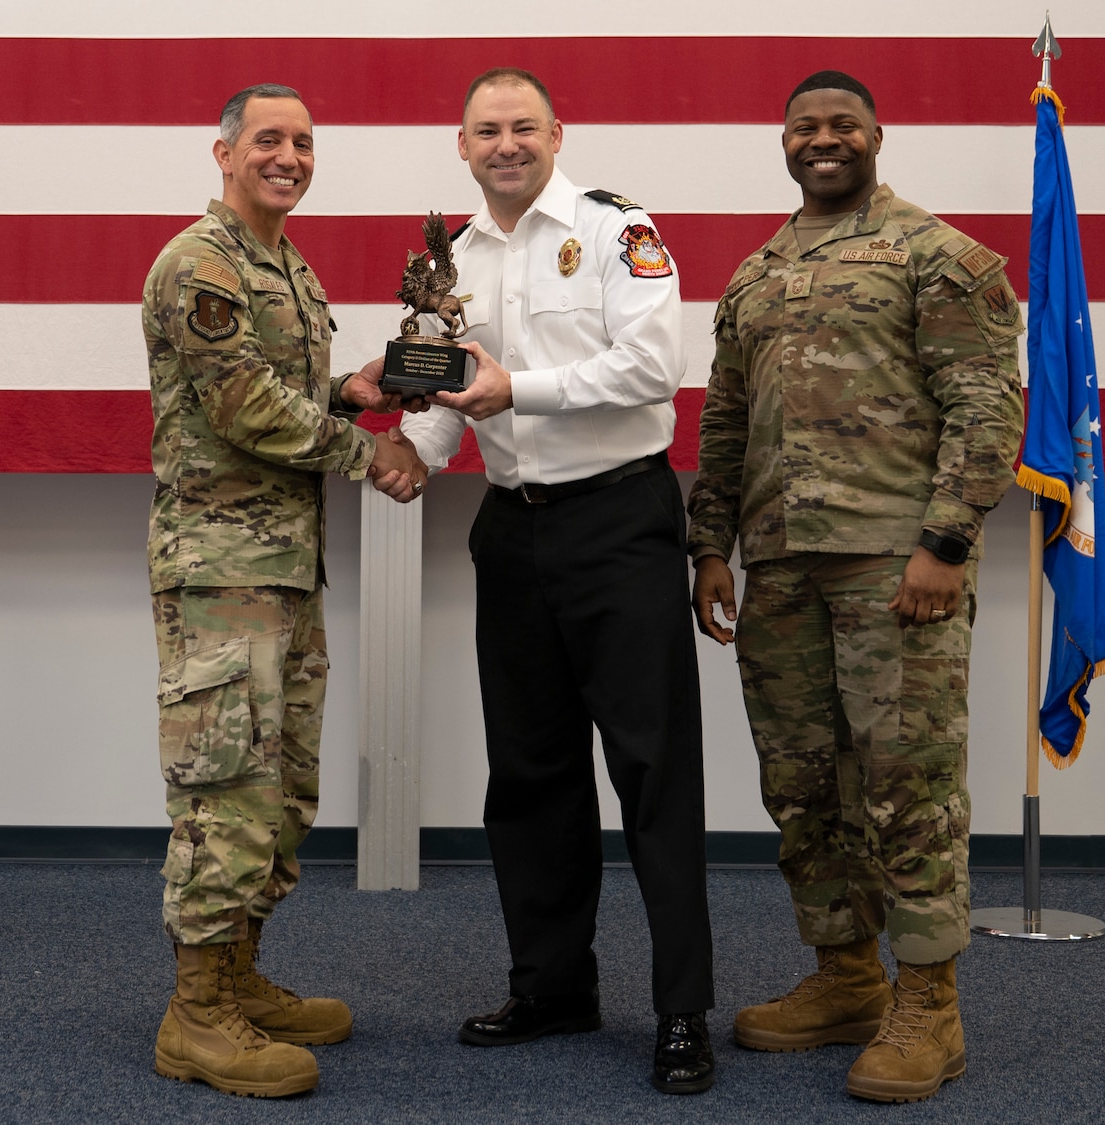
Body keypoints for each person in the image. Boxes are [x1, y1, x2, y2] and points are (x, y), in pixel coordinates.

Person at [362, 66, 716, 1095]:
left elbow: (651, 369)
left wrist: (519, 387)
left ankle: (681, 1009)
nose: (505, 144)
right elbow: (450, 387)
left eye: (523, 127)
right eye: (486, 131)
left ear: (557, 135)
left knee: (652, 774)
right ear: (460, 148)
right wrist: (412, 453)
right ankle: (552, 985)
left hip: (618, 523)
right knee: (527, 776)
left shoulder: (616, 230)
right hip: (510, 534)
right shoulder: (454, 257)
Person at [687, 70, 1026, 1104]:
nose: (822, 140)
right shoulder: (753, 274)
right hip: (779, 562)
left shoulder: (935, 253)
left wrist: (944, 542)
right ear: (783, 141)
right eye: (804, 127)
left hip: (893, 565)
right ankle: (843, 977)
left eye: (841, 125)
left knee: (905, 787)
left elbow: (983, 403)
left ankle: (928, 1004)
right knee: (802, 786)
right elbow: (725, 423)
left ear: (875, 136)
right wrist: (708, 547)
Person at [140, 82, 426, 1099]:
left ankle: (239, 976)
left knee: (281, 791)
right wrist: (368, 451)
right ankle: (194, 1013)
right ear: (221, 152)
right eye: (269, 139)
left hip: (282, 569)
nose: (290, 156)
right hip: (220, 571)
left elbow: (282, 395)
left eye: (303, 142)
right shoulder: (200, 264)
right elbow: (241, 408)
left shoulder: (285, 270)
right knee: (226, 791)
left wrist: (349, 389)